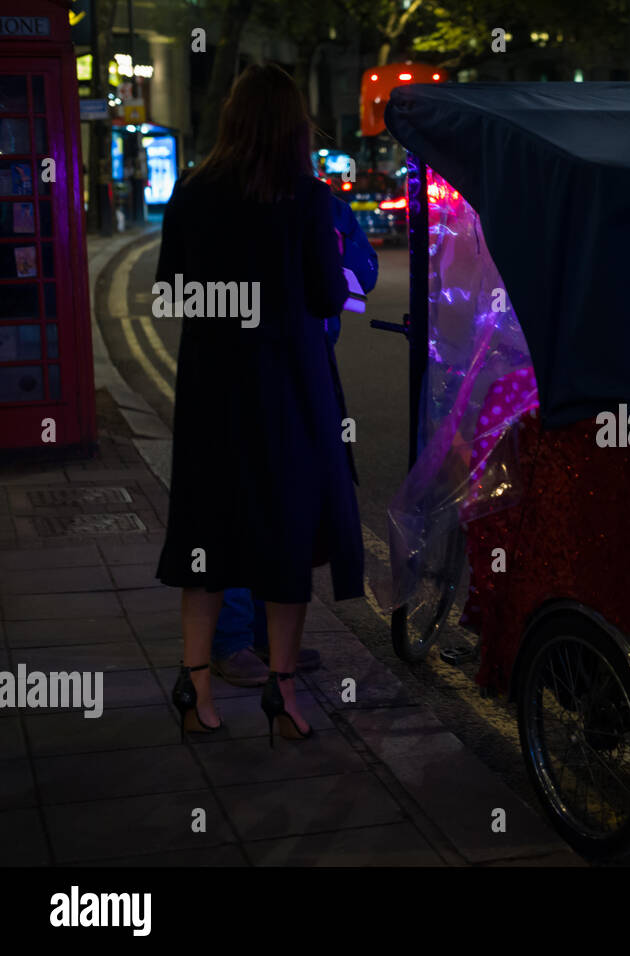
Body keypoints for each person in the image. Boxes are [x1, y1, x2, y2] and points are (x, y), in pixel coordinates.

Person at [155, 63, 364, 744]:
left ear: (233, 119)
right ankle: (281, 697)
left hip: (212, 392)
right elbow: (330, 297)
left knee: (205, 535)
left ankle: (197, 688)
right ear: (294, 127)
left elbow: (171, 294)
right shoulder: (303, 197)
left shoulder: (190, 191)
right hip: (286, 392)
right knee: (286, 538)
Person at [211, 195, 377, 687]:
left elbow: (362, 268)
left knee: (285, 503)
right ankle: (230, 639)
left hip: (307, 365)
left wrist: (336, 276)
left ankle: (266, 635)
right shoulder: (226, 196)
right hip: (246, 366)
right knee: (243, 501)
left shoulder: (323, 202)